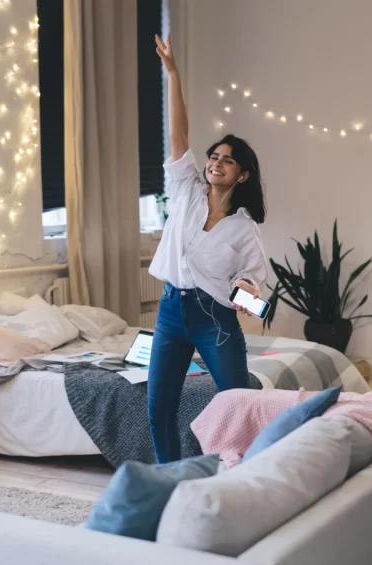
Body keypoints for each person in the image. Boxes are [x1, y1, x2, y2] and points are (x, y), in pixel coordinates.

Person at [147, 34, 268, 464]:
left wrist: (250, 300)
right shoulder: (185, 189)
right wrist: (173, 73)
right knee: (157, 410)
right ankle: (172, 480)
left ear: (242, 176)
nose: (215, 161)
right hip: (169, 312)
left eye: (227, 160)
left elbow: (255, 293)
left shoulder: (244, 229)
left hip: (214, 320)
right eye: (214, 155)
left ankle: (244, 476)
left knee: (238, 406)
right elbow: (178, 131)